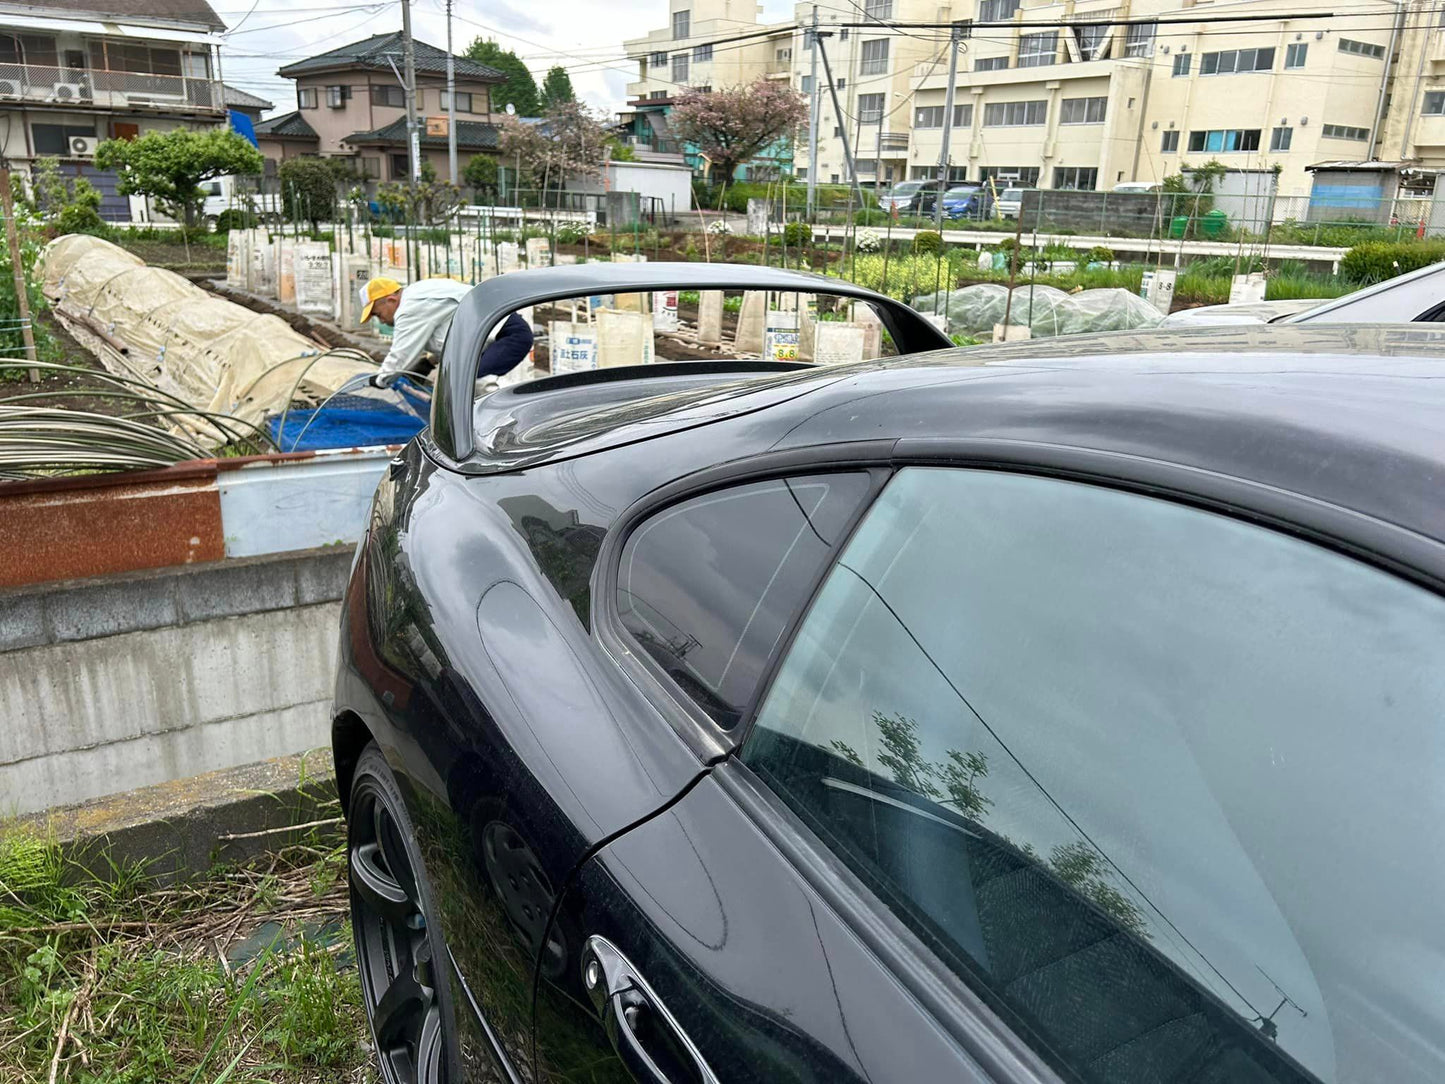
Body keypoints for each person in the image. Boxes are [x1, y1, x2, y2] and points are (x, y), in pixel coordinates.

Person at [358, 276, 534, 388]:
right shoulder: (418, 292)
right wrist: (430, 361)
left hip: (509, 335)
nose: (381, 320)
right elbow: (452, 335)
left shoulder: (409, 308)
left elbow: (402, 353)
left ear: (390, 299)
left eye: (377, 314)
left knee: (467, 384)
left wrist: (381, 380)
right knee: (461, 383)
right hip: (501, 332)